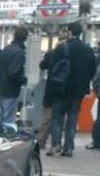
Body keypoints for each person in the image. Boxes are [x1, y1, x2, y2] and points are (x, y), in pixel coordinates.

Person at [47, 22, 96, 157]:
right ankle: (68, 147)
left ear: (69, 32)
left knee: (57, 117)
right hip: (78, 91)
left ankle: (56, 143)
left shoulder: (62, 48)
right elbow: (92, 71)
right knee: (73, 118)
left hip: (61, 89)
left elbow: (52, 69)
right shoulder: (88, 50)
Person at [0, 27, 29, 127]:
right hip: (9, 89)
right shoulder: (19, 52)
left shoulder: (6, 49)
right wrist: (23, 79)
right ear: (25, 38)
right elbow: (13, 72)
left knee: (0, 116)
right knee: (8, 118)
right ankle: (6, 139)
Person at [37, 34, 68, 148]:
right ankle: (57, 142)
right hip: (64, 91)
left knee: (47, 117)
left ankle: (41, 140)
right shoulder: (70, 55)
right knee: (60, 118)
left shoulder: (52, 53)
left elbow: (42, 65)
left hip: (51, 89)